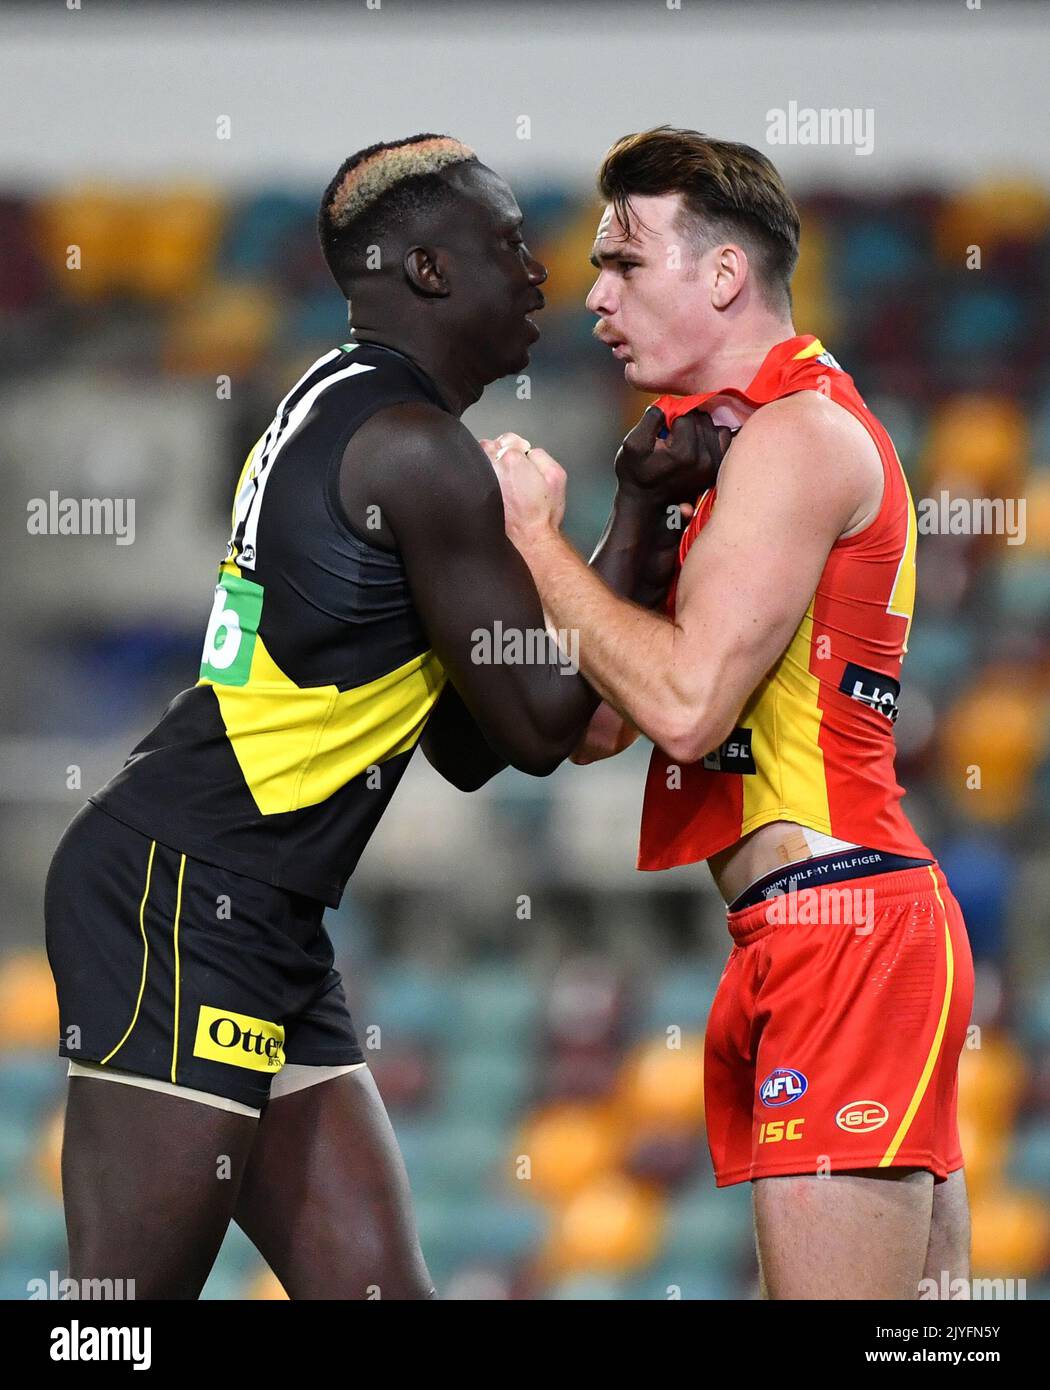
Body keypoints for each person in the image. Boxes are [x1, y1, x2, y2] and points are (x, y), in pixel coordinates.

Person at [44, 133, 719, 1299]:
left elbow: (461, 746)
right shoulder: (416, 452)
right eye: (508, 243)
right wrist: (631, 518)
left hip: (262, 917)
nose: (541, 270)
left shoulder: (343, 404)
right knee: (118, 1321)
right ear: (428, 270)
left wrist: (614, 525)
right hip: (180, 895)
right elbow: (538, 727)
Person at [488, 126, 975, 1301]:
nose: (594, 295)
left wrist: (534, 545)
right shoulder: (732, 449)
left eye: (625, 262)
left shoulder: (797, 437)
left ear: (722, 276)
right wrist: (635, 520)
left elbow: (688, 707)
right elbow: (601, 726)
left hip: (838, 927)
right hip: (820, 924)